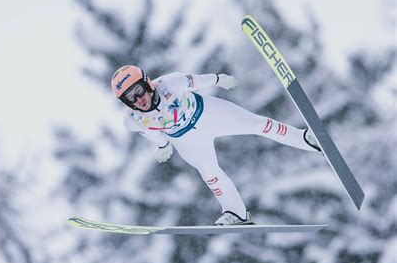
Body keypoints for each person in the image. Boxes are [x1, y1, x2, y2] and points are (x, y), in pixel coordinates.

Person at [111, 65, 321, 225]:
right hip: (185, 139)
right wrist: (163, 145)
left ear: (148, 83)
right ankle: (236, 212)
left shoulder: (170, 83)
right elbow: (151, 132)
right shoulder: (133, 120)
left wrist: (219, 80)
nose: (138, 100)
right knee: (209, 172)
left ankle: (305, 139)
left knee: (257, 124)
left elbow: (197, 81)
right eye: (130, 99)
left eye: (138, 91)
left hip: (208, 114)